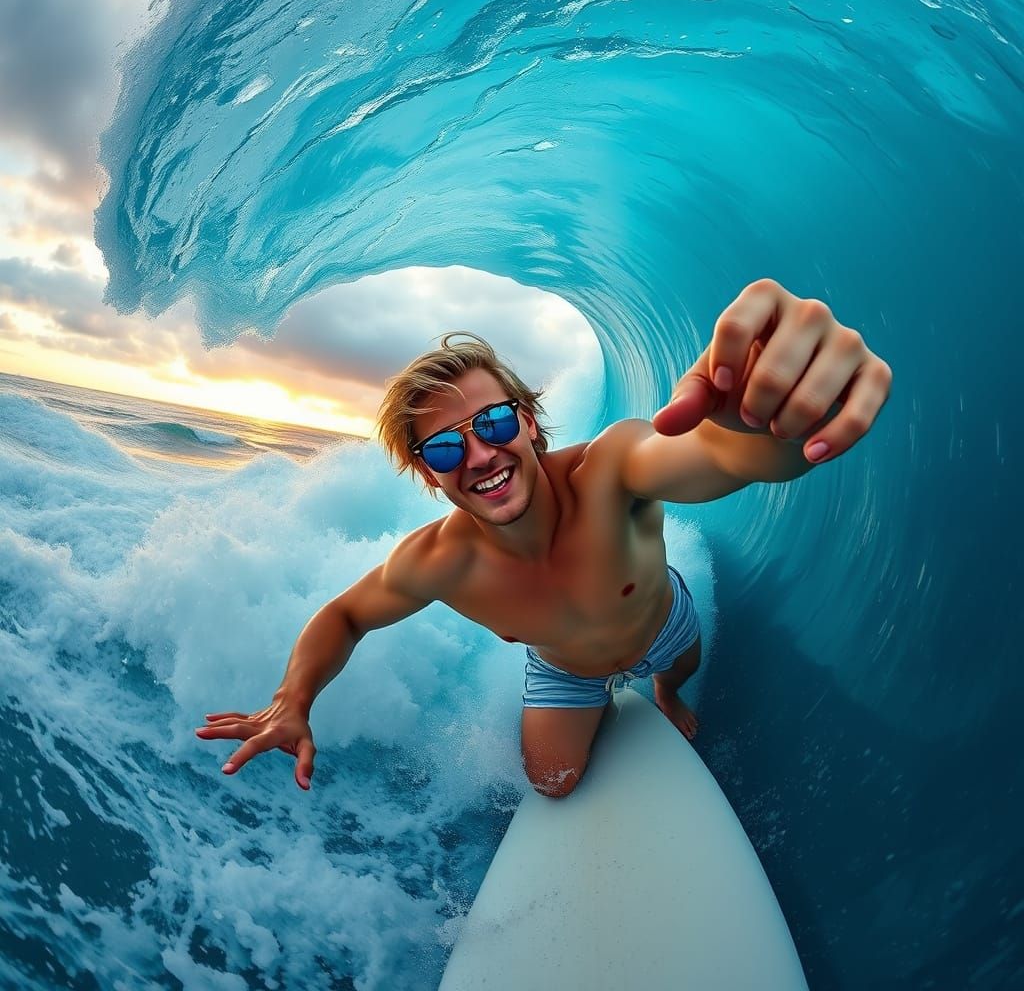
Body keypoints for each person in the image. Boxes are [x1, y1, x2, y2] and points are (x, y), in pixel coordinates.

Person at [195, 278, 891, 797]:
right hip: (563, 668)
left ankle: (666, 694)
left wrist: (761, 422)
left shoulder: (612, 470)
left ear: (527, 421)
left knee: (675, 671)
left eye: (493, 424)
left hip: (662, 623)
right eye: (442, 451)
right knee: (553, 782)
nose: (478, 457)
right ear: (426, 476)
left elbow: (721, 460)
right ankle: (608, 700)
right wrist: (294, 697)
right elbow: (344, 615)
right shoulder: (439, 562)